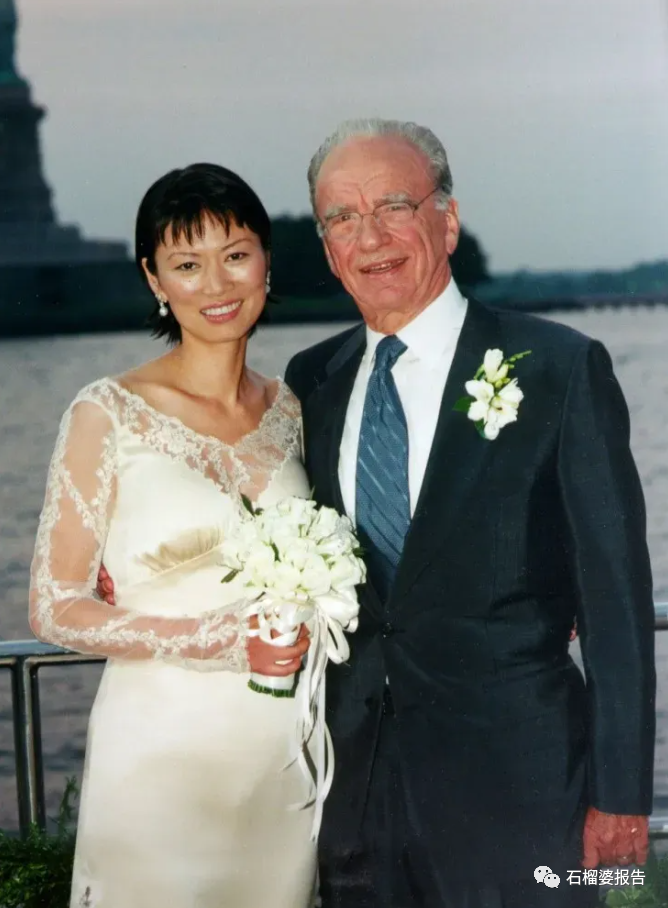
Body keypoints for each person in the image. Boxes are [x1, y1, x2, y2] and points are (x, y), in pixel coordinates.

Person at [283, 118, 656, 907]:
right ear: (327, 250)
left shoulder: (558, 368)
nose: (370, 236)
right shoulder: (310, 381)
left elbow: (615, 605)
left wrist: (623, 797)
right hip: (358, 807)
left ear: (447, 221)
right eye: (342, 218)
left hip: (524, 799)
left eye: (393, 206)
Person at [28, 163, 318, 908]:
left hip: (284, 760)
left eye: (236, 255)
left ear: (266, 261)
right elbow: (55, 607)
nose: (217, 284)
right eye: (187, 264)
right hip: (161, 758)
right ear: (154, 279)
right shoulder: (106, 413)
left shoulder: (293, 410)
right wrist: (219, 639)